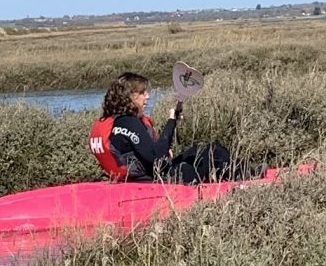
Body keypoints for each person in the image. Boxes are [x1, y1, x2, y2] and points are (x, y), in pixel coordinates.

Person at [90, 73, 239, 185]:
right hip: (150, 179)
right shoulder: (129, 122)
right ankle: (246, 177)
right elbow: (156, 157)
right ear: (128, 97)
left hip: (142, 176)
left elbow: (150, 153)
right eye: (142, 93)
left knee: (205, 150)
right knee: (209, 155)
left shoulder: (115, 121)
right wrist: (170, 121)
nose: (147, 96)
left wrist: (173, 123)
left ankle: (241, 172)